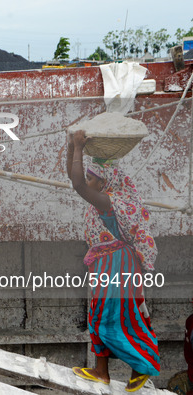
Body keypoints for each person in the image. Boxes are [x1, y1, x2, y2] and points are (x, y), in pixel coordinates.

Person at [68, 130, 160, 392]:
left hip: (118, 265)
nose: (87, 181)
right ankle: (101, 372)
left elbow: (76, 184)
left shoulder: (109, 202)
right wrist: (70, 146)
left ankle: (143, 365)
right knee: (100, 314)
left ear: (104, 183)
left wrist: (77, 148)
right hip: (108, 264)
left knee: (116, 316)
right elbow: (74, 179)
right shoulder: (106, 199)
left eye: (92, 178)